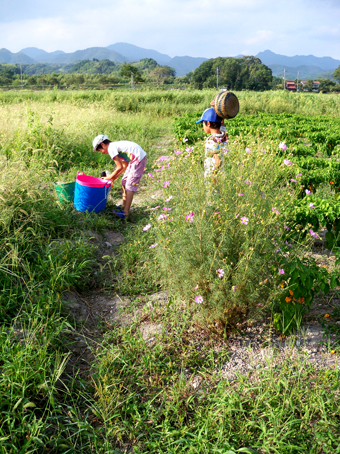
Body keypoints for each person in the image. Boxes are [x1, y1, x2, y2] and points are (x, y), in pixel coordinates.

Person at [93, 134, 147, 219]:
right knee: (124, 182)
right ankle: (123, 206)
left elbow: (119, 167)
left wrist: (108, 177)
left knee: (129, 185)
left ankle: (125, 213)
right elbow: (124, 166)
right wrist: (113, 178)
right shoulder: (116, 147)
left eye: (100, 150)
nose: (102, 153)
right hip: (133, 160)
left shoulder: (111, 148)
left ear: (103, 145)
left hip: (138, 160)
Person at [196, 108, 228, 178]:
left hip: (213, 177)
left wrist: (213, 176)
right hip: (222, 175)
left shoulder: (212, 142)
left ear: (208, 123)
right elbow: (222, 123)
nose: (203, 126)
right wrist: (216, 108)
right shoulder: (224, 135)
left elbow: (218, 161)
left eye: (203, 123)